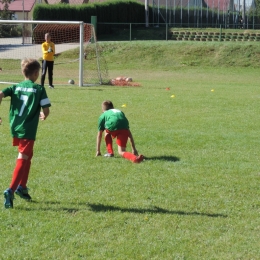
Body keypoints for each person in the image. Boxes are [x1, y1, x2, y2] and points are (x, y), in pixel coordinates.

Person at [0, 58, 51, 209]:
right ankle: (11, 189)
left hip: (15, 126)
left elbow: (0, 94)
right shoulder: (39, 89)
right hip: (27, 129)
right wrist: (44, 115)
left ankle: (22, 186)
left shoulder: (15, 87)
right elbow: (46, 109)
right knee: (23, 156)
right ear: (36, 73)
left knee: (28, 155)